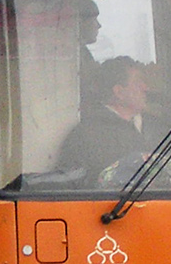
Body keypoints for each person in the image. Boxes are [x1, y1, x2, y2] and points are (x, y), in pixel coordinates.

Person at [58, 56, 149, 185]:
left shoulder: (153, 125)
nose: (146, 88)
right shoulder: (88, 135)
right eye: (138, 82)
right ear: (119, 92)